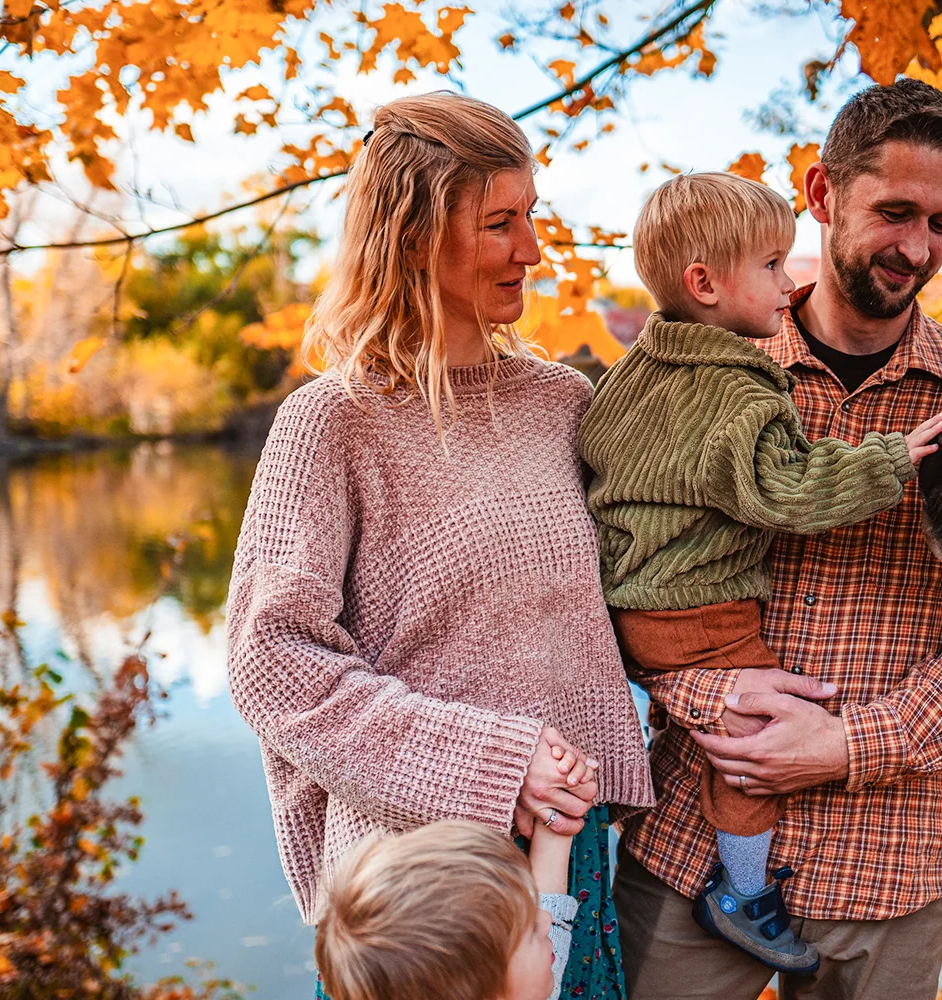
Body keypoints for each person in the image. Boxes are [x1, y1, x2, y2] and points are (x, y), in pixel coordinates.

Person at [612, 78, 942, 1000]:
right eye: (894, 212)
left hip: (893, 862)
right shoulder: (688, 375)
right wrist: (711, 691)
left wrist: (847, 742)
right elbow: (622, 562)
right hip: (691, 844)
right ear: (822, 195)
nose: (917, 248)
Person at [224, 91, 653, 1000]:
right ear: (414, 234)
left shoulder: (561, 404)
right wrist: (497, 766)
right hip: (421, 900)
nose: (531, 250)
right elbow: (271, 664)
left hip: (567, 860)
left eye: (530, 217)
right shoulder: (332, 422)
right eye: (500, 223)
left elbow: (640, 596)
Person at [578, 171, 942, 976]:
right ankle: (744, 890)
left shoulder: (629, 376)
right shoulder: (740, 389)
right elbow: (789, 490)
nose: (790, 282)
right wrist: (890, 461)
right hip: (703, 612)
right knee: (754, 745)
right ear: (705, 284)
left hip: (639, 598)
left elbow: (597, 476)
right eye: (774, 267)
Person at [316, 799, 592, 1000]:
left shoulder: (516, 982)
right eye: (530, 929)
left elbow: (550, 916)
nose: (546, 919)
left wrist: (557, 813)